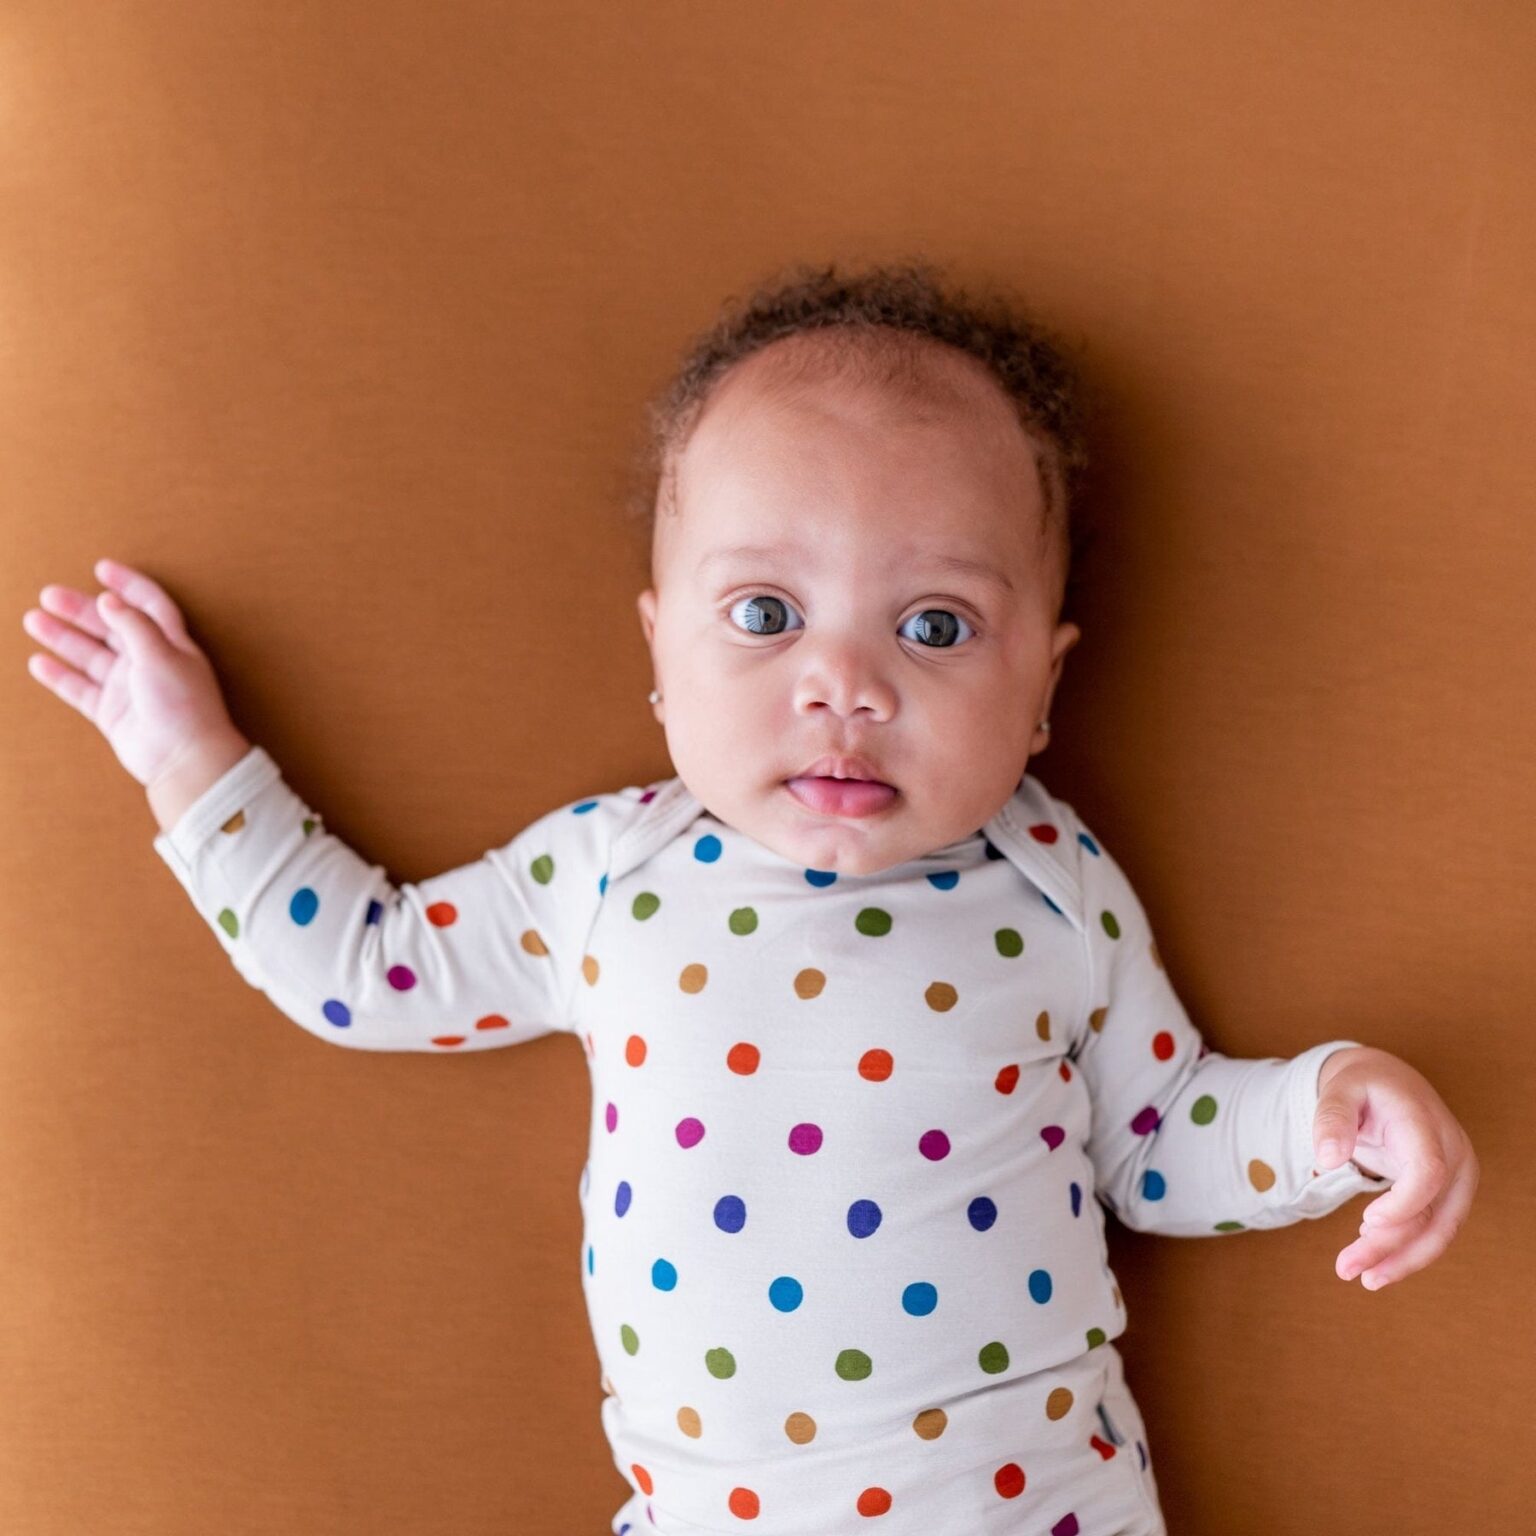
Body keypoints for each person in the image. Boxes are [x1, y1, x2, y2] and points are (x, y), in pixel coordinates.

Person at [21, 260, 1478, 1536]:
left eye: (935, 625)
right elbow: (362, 966)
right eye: (767, 615)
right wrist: (190, 761)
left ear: (1043, 686)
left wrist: (1332, 1112)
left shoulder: (1054, 888)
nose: (844, 682)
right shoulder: (610, 876)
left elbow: (1159, 1142)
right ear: (662, 657)